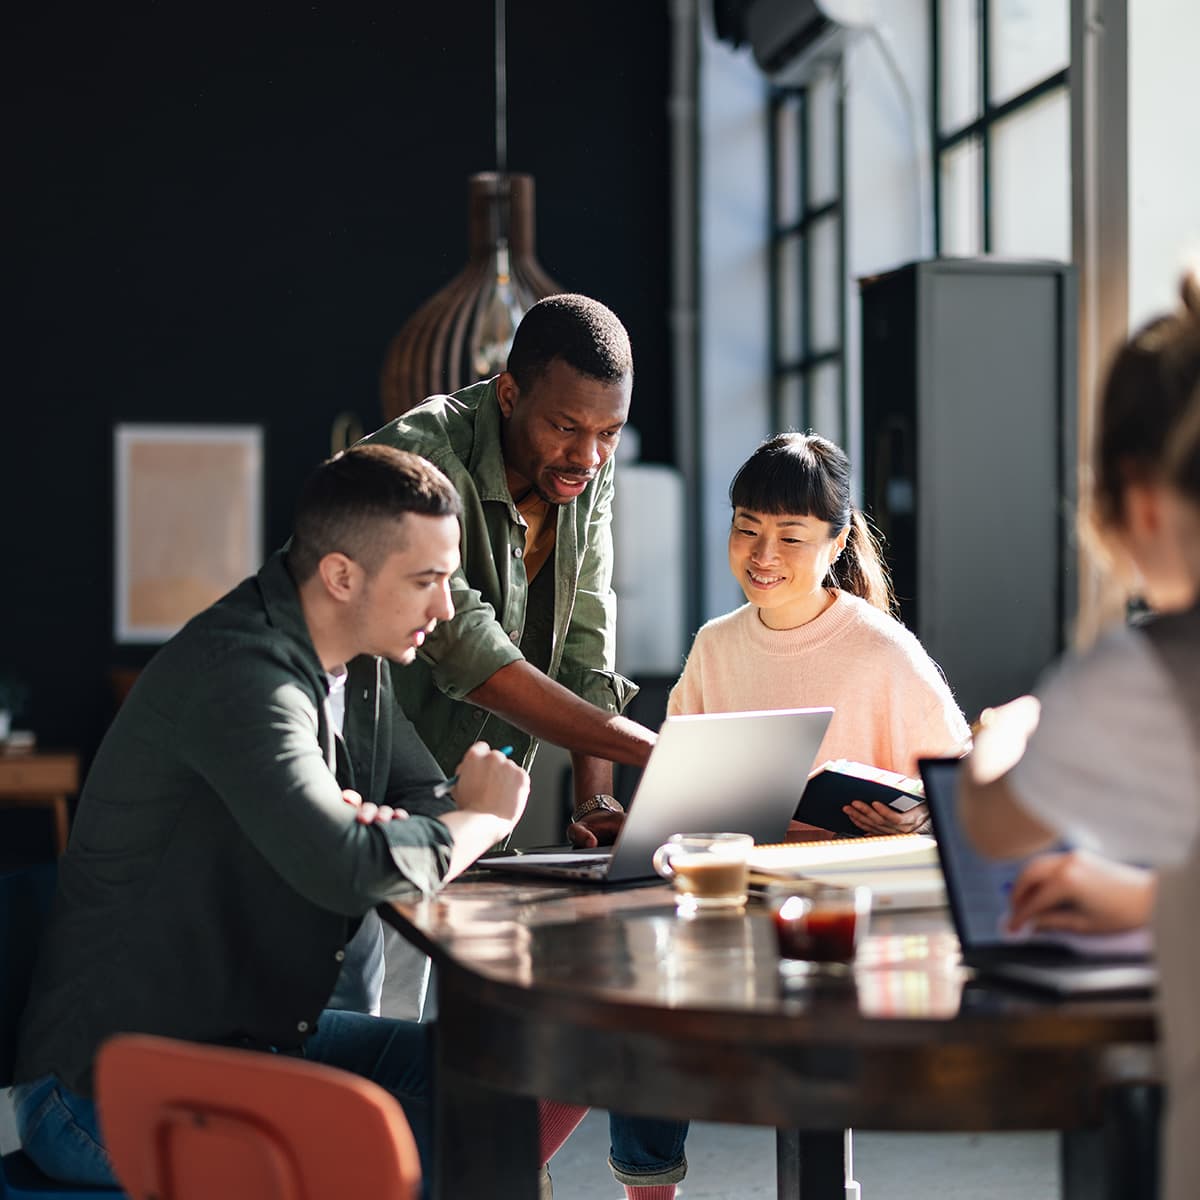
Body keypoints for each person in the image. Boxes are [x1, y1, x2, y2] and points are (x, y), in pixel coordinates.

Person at [11, 445, 552, 1198]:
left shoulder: (357, 662)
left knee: (500, 1087)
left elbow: (423, 798)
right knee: (432, 1156)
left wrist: (391, 831)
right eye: (426, 582)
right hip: (103, 1091)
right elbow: (354, 868)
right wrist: (485, 819)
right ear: (341, 576)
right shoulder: (240, 674)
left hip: (245, 1039)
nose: (446, 610)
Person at [959, 271, 1200, 1200]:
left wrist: (1007, 732)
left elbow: (991, 822)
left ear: (1137, 500)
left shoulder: (1148, 673)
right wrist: (1147, 899)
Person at [362, 292, 657, 836]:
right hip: (359, 789)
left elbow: (586, 631)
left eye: (609, 433)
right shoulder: (418, 461)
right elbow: (467, 648)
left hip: (473, 818)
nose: (588, 457)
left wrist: (598, 805)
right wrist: (662, 756)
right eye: (565, 427)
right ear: (508, 394)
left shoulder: (584, 468)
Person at [668, 430, 970, 835]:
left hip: (850, 883)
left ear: (837, 544)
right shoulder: (713, 646)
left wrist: (923, 816)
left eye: (791, 537)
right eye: (747, 529)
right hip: (739, 883)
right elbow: (674, 791)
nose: (763, 555)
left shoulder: (883, 650)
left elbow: (962, 784)